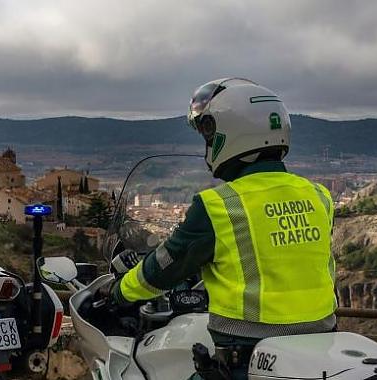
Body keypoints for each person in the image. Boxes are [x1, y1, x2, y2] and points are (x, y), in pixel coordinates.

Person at [111, 78, 336, 379]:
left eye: (208, 136)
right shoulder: (319, 195)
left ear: (231, 134)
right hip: (321, 344)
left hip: (249, 351)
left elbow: (165, 266)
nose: (207, 145)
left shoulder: (219, 206)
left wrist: (120, 292)